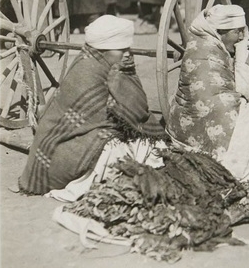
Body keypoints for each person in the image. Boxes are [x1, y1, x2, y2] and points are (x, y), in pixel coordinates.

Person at [18, 15, 166, 198]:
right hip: (60, 153)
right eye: (122, 49)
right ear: (104, 50)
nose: (128, 54)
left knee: (142, 145)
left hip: (66, 144)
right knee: (135, 149)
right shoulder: (94, 72)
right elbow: (134, 113)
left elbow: (130, 109)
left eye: (128, 48)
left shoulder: (95, 61)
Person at [166, 4, 249, 181]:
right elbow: (241, 88)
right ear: (220, 32)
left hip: (184, 124)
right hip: (197, 123)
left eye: (243, 31)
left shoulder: (205, 43)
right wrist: (241, 56)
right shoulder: (206, 50)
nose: (242, 36)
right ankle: (239, 157)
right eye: (237, 32)